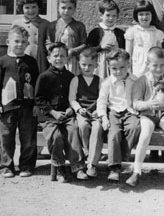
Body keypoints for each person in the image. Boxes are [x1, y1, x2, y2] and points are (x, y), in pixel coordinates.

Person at [126, 47, 164, 187]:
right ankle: (136, 171)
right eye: (155, 65)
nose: (159, 69)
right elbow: (135, 103)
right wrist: (148, 104)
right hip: (147, 115)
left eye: (162, 65)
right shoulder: (141, 81)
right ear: (148, 64)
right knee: (145, 134)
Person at [34, 42, 87, 182]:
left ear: (67, 58)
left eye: (62, 55)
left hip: (66, 115)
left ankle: (78, 166)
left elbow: (74, 97)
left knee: (73, 130)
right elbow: (39, 98)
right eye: (55, 55)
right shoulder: (44, 76)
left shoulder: (70, 77)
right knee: (56, 136)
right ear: (49, 58)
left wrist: (71, 108)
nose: (59, 58)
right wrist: (52, 112)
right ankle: (59, 167)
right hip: (48, 116)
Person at [0, 26, 39, 178]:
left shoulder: (31, 62)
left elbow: (36, 84)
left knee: (28, 138)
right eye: (16, 41)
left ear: (27, 44)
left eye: (23, 42)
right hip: (8, 107)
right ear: (8, 42)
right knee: (6, 137)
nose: (20, 44)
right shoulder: (2, 62)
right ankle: (5, 165)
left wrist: (36, 104)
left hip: (27, 107)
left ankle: (26, 165)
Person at [96, 49, 140, 182]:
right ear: (109, 67)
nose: (118, 71)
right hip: (114, 111)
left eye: (122, 67)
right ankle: (114, 167)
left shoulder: (135, 80)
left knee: (135, 127)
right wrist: (103, 117)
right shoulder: (107, 82)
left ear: (128, 65)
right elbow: (102, 101)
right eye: (114, 68)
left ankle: (123, 158)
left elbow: (139, 98)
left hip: (130, 111)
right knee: (114, 133)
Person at [69, 48, 103, 177]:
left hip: (95, 112)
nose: (87, 67)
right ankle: (88, 153)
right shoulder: (76, 80)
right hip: (82, 112)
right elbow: (72, 98)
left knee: (97, 127)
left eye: (90, 65)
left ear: (96, 66)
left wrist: (98, 111)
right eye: (84, 64)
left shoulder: (99, 81)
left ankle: (92, 164)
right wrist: (78, 109)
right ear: (79, 64)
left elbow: (102, 99)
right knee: (82, 126)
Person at [47, 0, 87, 75]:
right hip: (58, 58)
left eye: (70, 8)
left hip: (73, 60)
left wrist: (72, 51)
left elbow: (84, 44)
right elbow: (48, 42)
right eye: (63, 8)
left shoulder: (79, 25)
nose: (66, 11)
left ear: (74, 9)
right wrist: (54, 52)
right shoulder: (53, 25)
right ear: (58, 8)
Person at [86, 0, 126, 79]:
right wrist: (100, 47)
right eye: (108, 15)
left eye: (114, 16)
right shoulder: (95, 32)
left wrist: (118, 50)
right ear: (101, 15)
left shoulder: (120, 33)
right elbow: (88, 50)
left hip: (115, 64)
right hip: (100, 65)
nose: (111, 18)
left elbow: (124, 49)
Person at [12, 0, 50, 72]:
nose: (31, 11)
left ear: (38, 7)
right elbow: (11, 48)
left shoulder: (46, 24)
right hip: (24, 63)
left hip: (41, 64)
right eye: (27, 7)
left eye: (33, 7)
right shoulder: (17, 24)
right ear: (21, 8)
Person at [125, 0, 164, 77]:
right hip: (137, 67)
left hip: (153, 68)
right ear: (136, 16)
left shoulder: (157, 33)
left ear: (152, 15)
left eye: (147, 14)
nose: (144, 17)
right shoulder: (132, 31)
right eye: (141, 14)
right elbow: (127, 53)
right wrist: (128, 70)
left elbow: (160, 54)